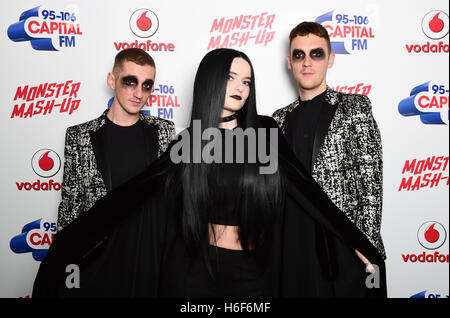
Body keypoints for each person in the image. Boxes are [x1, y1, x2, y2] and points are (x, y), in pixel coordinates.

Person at [33, 48, 386, 298]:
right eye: (231, 78)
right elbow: (137, 195)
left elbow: (306, 195)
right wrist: (73, 245)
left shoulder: (263, 134)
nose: (240, 88)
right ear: (212, 81)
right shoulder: (192, 142)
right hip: (191, 271)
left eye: (247, 81)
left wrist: (354, 241)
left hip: (251, 271)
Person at [273, 22, 385, 259]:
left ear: (330, 59)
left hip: (343, 246)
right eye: (299, 55)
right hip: (291, 246)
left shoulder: (355, 107)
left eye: (316, 54)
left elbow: (371, 185)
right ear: (289, 62)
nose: (307, 62)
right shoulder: (278, 119)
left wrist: (365, 243)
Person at [57, 48, 175, 231]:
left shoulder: (164, 131)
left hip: (148, 250)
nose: (139, 93)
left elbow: (171, 199)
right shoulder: (79, 136)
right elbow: (70, 209)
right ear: (112, 81)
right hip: (99, 253)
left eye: (146, 85)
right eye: (130, 82)